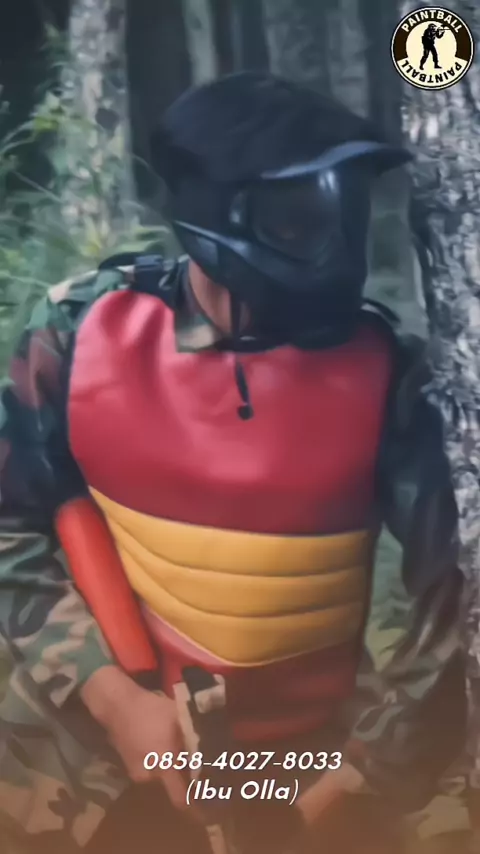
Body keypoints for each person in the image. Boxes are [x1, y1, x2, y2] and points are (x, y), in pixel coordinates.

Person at [0, 72, 465, 854]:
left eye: (343, 206)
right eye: (297, 216)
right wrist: (114, 700)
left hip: (314, 765)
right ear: (211, 213)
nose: (331, 239)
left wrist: (357, 779)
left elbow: (454, 601)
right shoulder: (80, 328)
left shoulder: (391, 376)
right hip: (81, 767)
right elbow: (12, 525)